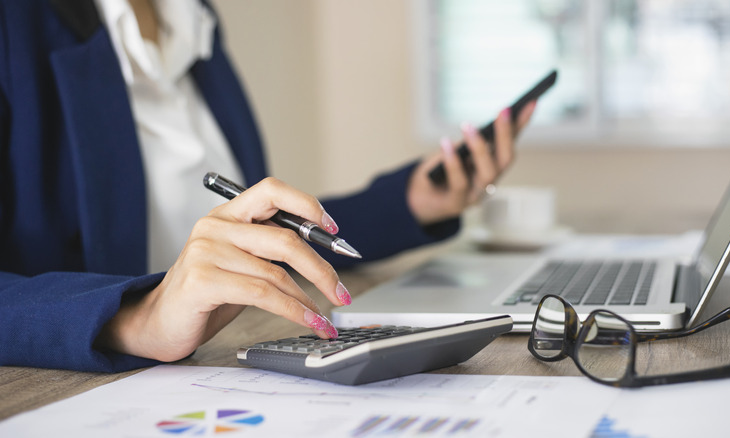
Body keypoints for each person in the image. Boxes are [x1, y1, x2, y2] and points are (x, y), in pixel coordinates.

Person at [0, 0, 535, 372]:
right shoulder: (16, 27)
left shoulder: (197, 24)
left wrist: (412, 201)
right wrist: (134, 316)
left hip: (228, 356)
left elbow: (265, 229)